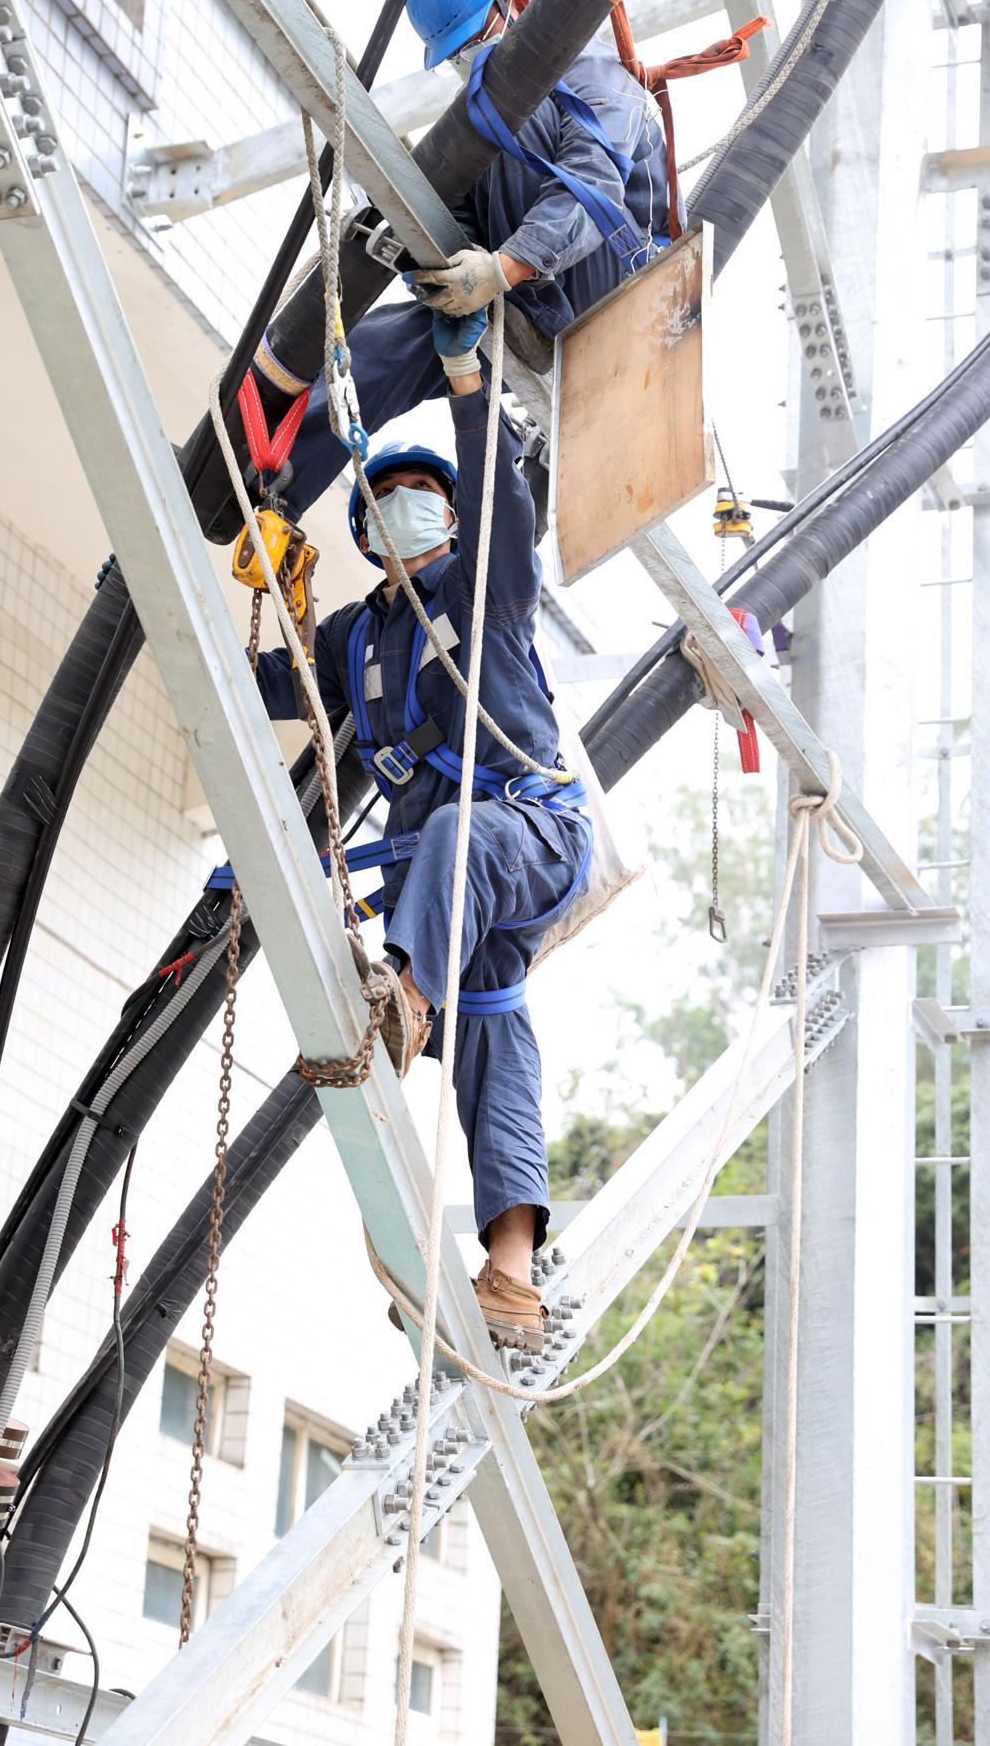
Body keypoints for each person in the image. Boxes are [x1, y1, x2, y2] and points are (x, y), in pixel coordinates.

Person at [251, 304, 592, 1351]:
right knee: (498, 1051)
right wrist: (178, 595)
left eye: (420, 497)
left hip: (528, 837)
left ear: (447, 522)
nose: (405, 511)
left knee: (453, 835)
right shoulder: (358, 638)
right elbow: (268, 677)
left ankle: (402, 997)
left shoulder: (482, 591)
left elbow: (503, 511)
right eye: (384, 499)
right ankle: (511, 1274)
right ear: (364, 533)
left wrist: (471, 397)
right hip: (451, 901)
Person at [257, 0, 681, 521]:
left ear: (522, 2)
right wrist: (422, 255)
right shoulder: (484, 118)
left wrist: (499, 269)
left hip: (611, 298)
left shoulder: (601, 81)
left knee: (506, 118)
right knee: (383, 346)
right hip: (524, 302)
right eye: (456, 53)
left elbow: (592, 190)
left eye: (472, 41)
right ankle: (267, 481)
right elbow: (461, 212)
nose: (468, 61)